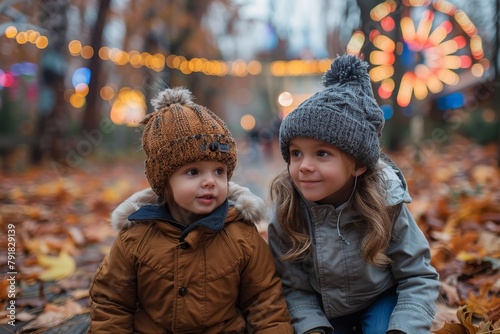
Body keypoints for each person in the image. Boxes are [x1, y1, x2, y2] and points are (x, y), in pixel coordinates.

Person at [89, 87, 293, 333]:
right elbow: (112, 302)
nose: (210, 182)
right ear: (164, 181)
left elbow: (264, 301)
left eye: (219, 171)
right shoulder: (135, 238)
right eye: (193, 172)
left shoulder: (242, 235)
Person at [267, 54, 440, 334]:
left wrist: (404, 328)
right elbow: (293, 288)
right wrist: (311, 327)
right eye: (296, 153)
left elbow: (418, 276)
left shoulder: (386, 204)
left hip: (381, 299)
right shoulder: (288, 212)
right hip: (321, 308)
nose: (304, 166)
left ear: (359, 164)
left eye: (322, 153)